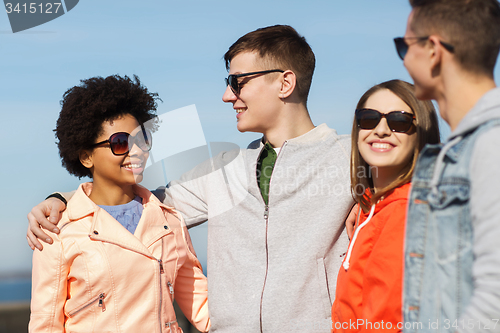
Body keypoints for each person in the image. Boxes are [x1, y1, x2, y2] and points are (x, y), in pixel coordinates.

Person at [26, 25, 354, 332]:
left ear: (285, 83)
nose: (227, 95)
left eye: (238, 82)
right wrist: (61, 200)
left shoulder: (352, 159)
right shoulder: (222, 172)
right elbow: (137, 202)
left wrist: (365, 201)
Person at [28, 75, 210, 333]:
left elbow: (203, 308)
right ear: (86, 156)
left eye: (142, 140)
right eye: (121, 142)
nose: (137, 151)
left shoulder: (170, 221)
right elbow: (45, 325)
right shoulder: (57, 230)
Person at [393, 0, 500, 331]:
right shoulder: (459, 150)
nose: (404, 59)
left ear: (433, 51)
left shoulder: (491, 144)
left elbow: (494, 301)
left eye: (404, 45)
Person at [331, 80, 440, 332]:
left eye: (399, 121)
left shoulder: (406, 212)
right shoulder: (373, 207)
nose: (381, 130)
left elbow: (387, 321)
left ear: (422, 132)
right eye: (368, 118)